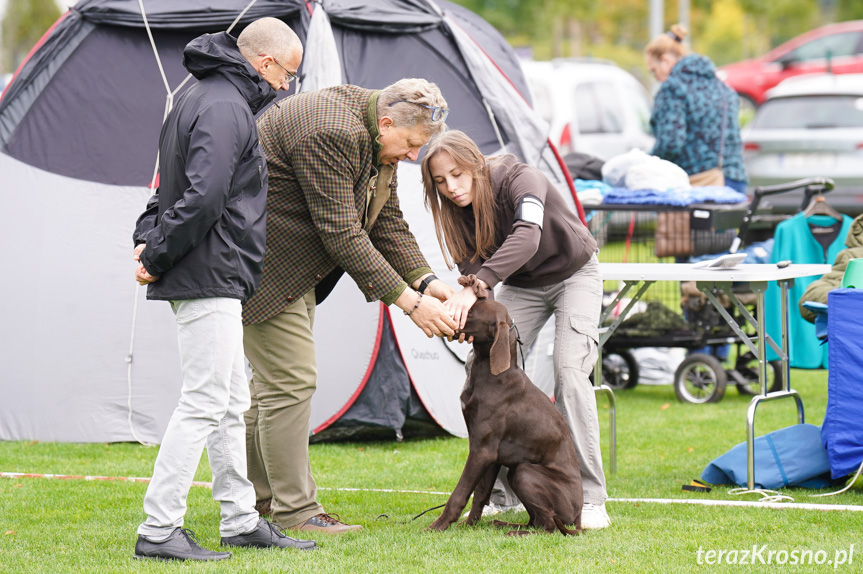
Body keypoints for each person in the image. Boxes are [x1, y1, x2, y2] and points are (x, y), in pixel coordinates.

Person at [131, 18, 316, 561]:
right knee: (206, 401)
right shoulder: (226, 107)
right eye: (288, 73)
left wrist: (147, 242)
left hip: (208, 270)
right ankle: (159, 529)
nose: (287, 86)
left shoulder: (197, 94)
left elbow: (166, 185)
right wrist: (158, 253)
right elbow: (204, 197)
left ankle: (240, 519)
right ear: (264, 63)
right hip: (208, 271)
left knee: (232, 401)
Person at [243, 78, 458, 533]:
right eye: (413, 145)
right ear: (387, 123)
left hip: (292, 270)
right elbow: (341, 232)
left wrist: (427, 279)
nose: (414, 156)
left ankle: (260, 499)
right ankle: (296, 513)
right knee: (290, 383)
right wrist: (409, 303)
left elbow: (386, 220)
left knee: (270, 390)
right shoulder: (331, 131)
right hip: (263, 268)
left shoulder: (375, 134)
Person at [420, 130, 611, 530]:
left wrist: (480, 284)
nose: (451, 188)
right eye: (440, 181)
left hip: (574, 275)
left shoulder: (519, 178)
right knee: (486, 365)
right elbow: (470, 273)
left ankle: (592, 499)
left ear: (474, 164)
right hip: (522, 286)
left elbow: (528, 235)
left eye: (457, 174)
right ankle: (502, 496)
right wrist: (461, 314)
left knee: (569, 371)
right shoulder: (457, 213)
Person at [645, 24, 748, 194]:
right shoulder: (723, 87)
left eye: (654, 71)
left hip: (699, 187)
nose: (656, 79)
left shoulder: (673, 88)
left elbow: (670, 143)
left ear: (665, 60)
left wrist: (645, 163)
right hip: (736, 182)